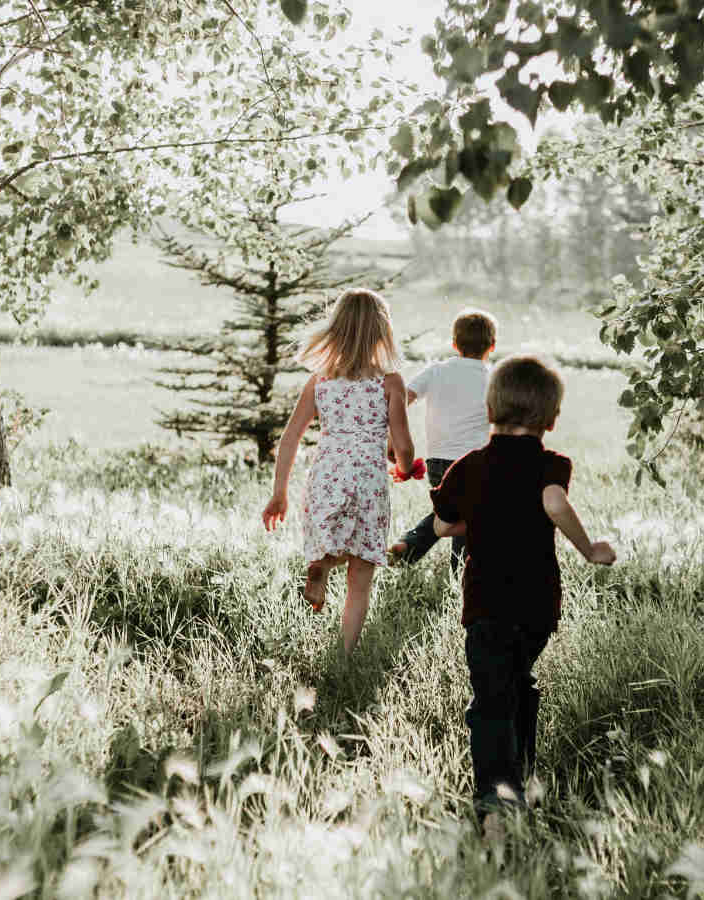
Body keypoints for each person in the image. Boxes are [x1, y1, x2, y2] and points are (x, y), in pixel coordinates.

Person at [429, 355, 616, 825]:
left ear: (490, 407)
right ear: (550, 417)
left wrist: (480, 517)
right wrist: (589, 548)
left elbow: (442, 523)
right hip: (537, 605)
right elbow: (552, 500)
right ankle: (524, 772)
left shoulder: (469, 466)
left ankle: (497, 801)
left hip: (487, 602)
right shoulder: (552, 463)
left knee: (491, 699)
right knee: (518, 682)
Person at [262, 289, 414, 653]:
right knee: (360, 575)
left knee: (330, 537)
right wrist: (404, 467)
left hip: (327, 472)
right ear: (382, 332)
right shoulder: (390, 382)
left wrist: (279, 492)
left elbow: (290, 438)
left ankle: (321, 564)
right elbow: (404, 446)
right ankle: (345, 654)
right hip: (367, 478)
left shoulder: (320, 381)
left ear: (336, 330)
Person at [387, 308, 498, 571]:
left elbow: (402, 397)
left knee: (452, 510)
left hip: (438, 460)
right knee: (469, 514)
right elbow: (499, 416)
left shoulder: (436, 371)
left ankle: (409, 546)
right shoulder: (492, 378)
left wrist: (393, 435)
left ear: (454, 344)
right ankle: (460, 572)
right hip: (476, 460)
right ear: (492, 346)